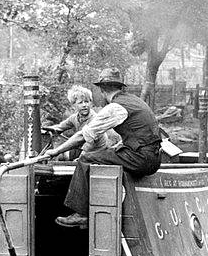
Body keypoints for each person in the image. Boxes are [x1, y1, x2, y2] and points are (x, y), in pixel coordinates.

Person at [40, 68, 162, 228]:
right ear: (120, 87)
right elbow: (140, 132)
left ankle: (82, 213)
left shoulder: (115, 108)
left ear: (102, 90)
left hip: (141, 159)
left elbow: (83, 136)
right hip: (154, 157)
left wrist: (55, 152)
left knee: (85, 159)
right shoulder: (135, 101)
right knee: (111, 152)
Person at [42, 85, 120, 156]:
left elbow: (90, 142)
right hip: (82, 147)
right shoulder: (74, 118)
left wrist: (81, 156)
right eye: (80, 103)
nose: (84, 105)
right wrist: (47, 129)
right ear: (74, 105)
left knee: (78, 162)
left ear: (91, 103)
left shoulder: (95, 119)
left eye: (86, 102)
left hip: (97, 150)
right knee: (61, 156)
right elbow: (60, 127)